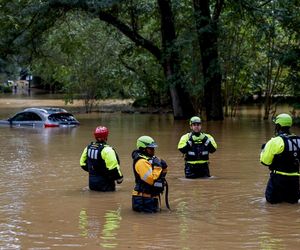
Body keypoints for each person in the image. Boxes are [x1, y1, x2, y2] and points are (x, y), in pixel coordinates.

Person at [260, 113, 300, 204]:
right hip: (295, 182)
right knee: (292, 206)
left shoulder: (274, 141)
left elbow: (265, 161)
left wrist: (263, 150)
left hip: (278, 180)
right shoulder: (299, 140)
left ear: (278, 126)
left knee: (272, 207)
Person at [80, 126, 123, 191]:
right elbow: (113, 168)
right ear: (106, 136)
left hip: (92, 184)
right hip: (106, 185)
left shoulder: (88, 148)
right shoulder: (107, 150)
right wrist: (119, 178)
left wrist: (94, 171)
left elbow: (82, 163)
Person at [131, 136, 168, 213]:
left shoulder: (151, 159)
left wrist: (164, 168)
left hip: (151, 198)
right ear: (143, 148)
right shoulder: (141, 162)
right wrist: (158, 167)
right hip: (143, 200)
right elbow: (151, 179)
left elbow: (161, 177)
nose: (153, 150)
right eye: (150, 149)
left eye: (153, 148)